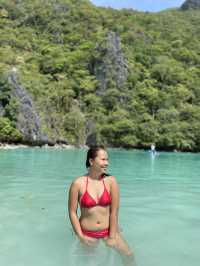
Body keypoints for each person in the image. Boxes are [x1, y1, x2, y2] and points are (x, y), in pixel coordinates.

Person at [68, 145, 136, 266]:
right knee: (90, 263)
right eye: (103, 159)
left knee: (129, 255)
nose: (107, 163)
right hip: (87, 233)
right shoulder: (77, 183)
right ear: (91, 161)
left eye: (107, 160)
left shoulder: (111, 181)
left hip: (108, 230)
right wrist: (80, 236)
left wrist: (112, 236)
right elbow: (72, 212)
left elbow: (114, 211)